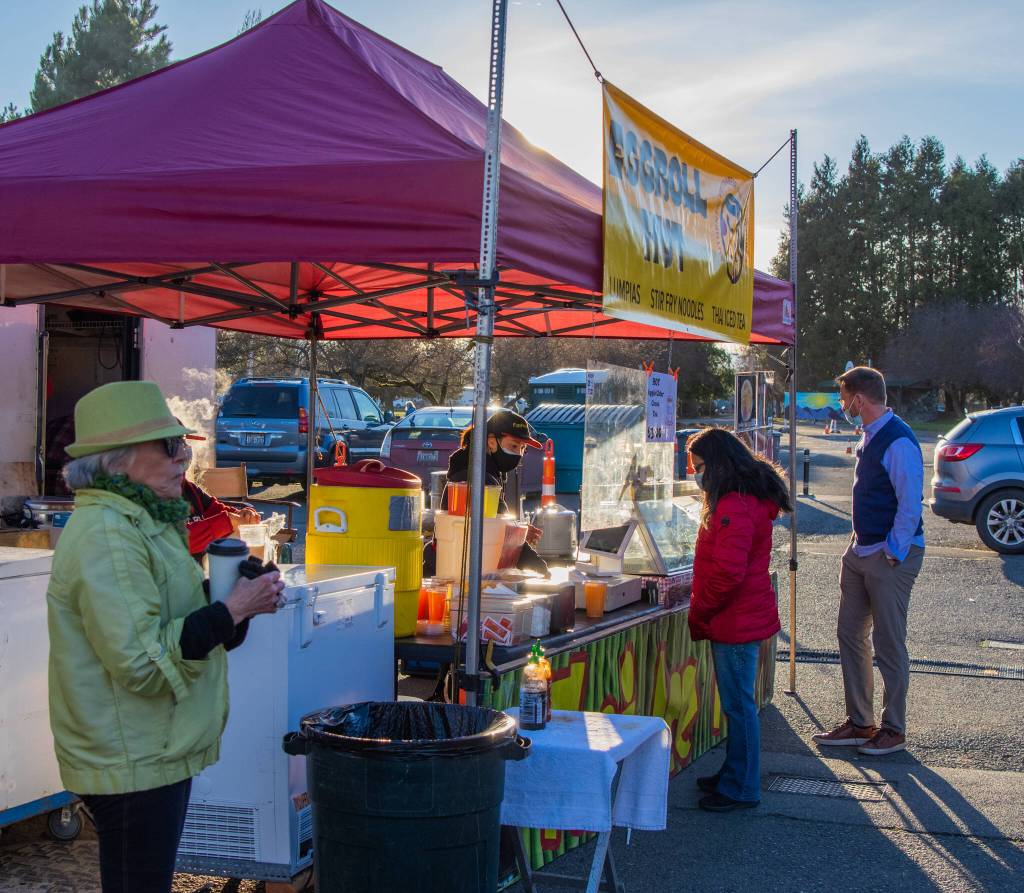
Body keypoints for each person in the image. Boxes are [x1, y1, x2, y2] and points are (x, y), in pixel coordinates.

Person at [47, 381, 285, 893]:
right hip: (132, 754)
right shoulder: (108, 534)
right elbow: (140, 661)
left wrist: (235, 600)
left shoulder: (146, 522)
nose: (184, 458)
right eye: (169, 446)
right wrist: (230, 610)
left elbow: (175, 619)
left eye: (183, 445)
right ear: (118, 461)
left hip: (153, 747)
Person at [813, 366, 925, 756]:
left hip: (889, 555)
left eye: (844, 398)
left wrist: (891, 552)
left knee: (889, 642)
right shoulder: (870, 435)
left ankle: (894, 728)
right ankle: (861, 722)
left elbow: (911, 507)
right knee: (850, 633)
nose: (842, 405)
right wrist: (858, 543)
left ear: (859, 399)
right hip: (862, 549)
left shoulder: (898, 440)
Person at [686, 427, 792, 812]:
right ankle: (734, 773)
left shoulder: (734, 505)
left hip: (735, 618)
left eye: (699, 467)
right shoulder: (746, 498)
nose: (697, 475)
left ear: (716, 465)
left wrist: (701, 609)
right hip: (742, 613)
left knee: (739, 706)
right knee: (738, 704)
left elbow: (728, 573)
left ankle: (742, 786)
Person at [424, 408, 548, 577]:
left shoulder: (479, 470)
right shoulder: (478, 478)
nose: (518, 454)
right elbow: (503, 532)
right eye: (513, 446)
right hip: (456, 574)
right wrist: (541, 569)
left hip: (455, 568)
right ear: (491, 441)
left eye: (522, 448)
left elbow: (492, 524)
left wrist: (520, 532)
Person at [178, 433, 261, 559]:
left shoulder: (189, 488)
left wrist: (244, 514)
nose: (185, 448)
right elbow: (174, 542)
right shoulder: (148, 495)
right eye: (176, 443)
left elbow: (217, 510)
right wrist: (227, 521)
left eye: (185, 442)